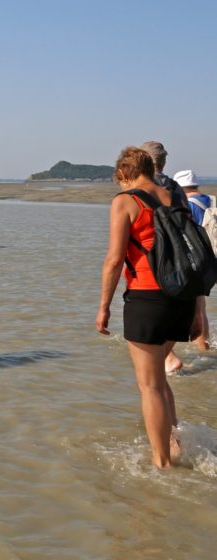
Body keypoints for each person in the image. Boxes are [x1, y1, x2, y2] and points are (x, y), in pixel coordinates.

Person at [96, 146, 198, 468]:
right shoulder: (175, 198)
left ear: (125, 174)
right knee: (160, 379)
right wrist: (198, 313)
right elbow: (191, 257)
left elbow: (114, 260)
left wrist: (104, 307)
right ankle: (174, 441)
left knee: (149, 385)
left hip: (147, 298)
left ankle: (162, 463)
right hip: (181, 299)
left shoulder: (125, 201)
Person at [140, 141, 203, 372]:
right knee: (181, 305)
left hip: (152, 259)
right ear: (164, 162)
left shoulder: (143, 187)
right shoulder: (176, 188)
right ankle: (170, 355)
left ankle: (166, 359)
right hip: (182, 259)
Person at [176, 169, 211, 351]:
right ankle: (204, 346)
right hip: (213, 261)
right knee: (200, 306)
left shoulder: (186, 204)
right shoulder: (211, 200)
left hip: (197, 260)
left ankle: (202, 351)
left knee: (195, 309)